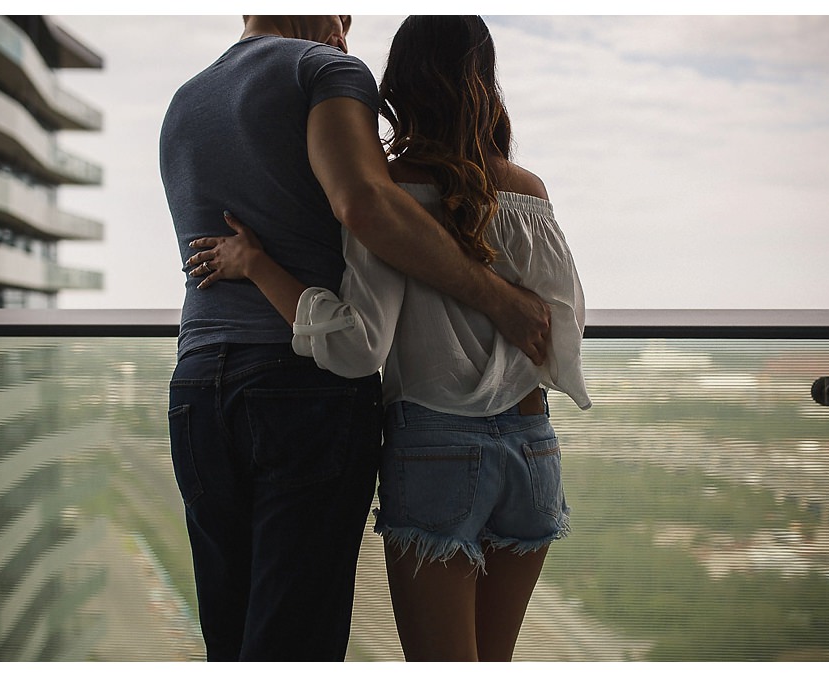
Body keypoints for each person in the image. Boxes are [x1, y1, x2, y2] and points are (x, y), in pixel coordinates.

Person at [185, 15, 591, 662]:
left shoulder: (394, 194)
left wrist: (257, 264)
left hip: (436, 452)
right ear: (485, 81)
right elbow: (560, 332)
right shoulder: (529, 195)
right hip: (533, 451)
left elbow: (356, 345)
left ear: (397, 86)